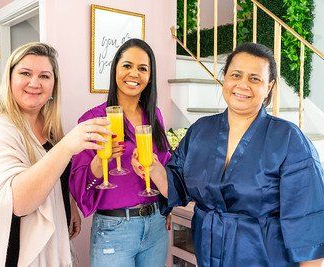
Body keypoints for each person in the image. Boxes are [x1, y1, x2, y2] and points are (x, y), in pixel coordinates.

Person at [132, 42, 324, 267]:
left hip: (265, 259)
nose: (243, 84)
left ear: (269, 87)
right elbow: (177, 185)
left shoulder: (289, 140)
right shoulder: (201, 130)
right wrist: (153, 169)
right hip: (209, 256)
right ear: (225, 77)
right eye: (236, 74)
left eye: (255, 78)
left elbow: (308, 226)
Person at [0, 42, 111, 266]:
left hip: (46, 247)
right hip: (8, 252)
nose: (34, 83)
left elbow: (55, 174)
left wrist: (68, 204)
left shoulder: (50, 127)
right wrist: (67, 146)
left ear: (54, 85)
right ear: (10, 79)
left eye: (44, 76)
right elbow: (18, 202)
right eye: (25, 73)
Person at [69, 38, 171, 267]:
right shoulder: (92, 119)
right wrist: (98, 163)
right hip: (114, 228)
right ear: (115, 69)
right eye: (127, 65)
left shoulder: (154, 115)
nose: (134, 74)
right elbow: (77, 182)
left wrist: (168, 204)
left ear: (150, 76)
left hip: (155, 224)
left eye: (142, 68)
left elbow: (165, 163)